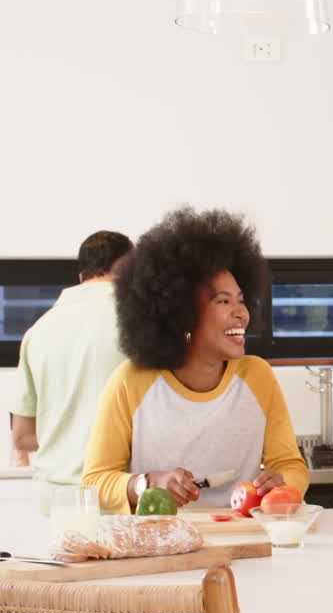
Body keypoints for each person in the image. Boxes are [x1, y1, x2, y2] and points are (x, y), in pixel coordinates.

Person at [83, 206, 308, 514]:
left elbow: (291, 465)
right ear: (181, 313)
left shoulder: (258, 376)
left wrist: (283, 484)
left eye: (241, 300)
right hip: (158, 544)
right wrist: (146, 484)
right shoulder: (131, 382)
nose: (241, 313)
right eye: (223, 301)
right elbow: (94, 482)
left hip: (241, 539)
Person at [11, 230, 134, 513]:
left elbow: (22, 435)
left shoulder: (38, 330)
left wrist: (68, 437)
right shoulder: (142, 325)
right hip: (119, 497)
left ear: (81, 277)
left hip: (56, 501)